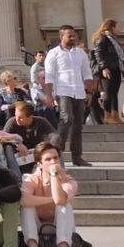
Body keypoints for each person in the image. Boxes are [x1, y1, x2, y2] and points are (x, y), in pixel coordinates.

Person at [20, 141, 79, 247]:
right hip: (38, 225)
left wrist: (54, 176)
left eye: (56, 158)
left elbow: (60, 201)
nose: (53, 162)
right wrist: (51, 199)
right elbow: (23, 199)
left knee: (64, 206)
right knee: (27, 208)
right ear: (39, 164)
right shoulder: (31, 179)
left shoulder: (68, 180)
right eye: (48, 159)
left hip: (60, 225)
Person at [43, 25, 95, 167]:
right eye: (69, 36)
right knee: (66, 119)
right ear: (61, 37)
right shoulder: (53, 53)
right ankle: (56, 152)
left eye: (74, 35)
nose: (73, 38)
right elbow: (49, 76)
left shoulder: (81, 53)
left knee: (78, 125)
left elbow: (87, 73)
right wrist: (49, 95)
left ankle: (77, 156)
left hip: (79, 91)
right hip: (63, 91)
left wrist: (89, 92)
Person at [91, 19, 124, 125]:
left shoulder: (114, 39)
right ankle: (107, 114)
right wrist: (104, 67)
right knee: (107, 92)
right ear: (111, 27)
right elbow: (98, 53)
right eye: (117, 27)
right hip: (108, 68)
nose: (119, 29)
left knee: (114, 93)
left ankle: (115, 115)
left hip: (116, 68)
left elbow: (118, 54)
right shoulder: (103, 38)